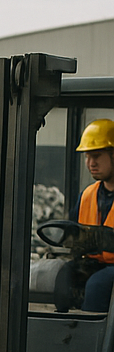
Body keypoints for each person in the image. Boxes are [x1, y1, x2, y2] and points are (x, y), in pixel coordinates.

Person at [75, 118, 114, 311]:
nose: (91, 163)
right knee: (62, 279)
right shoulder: (87, 195)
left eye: (96, 156)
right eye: (87, 157)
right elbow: (73, 230)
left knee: (98, 285)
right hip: (92, 263)